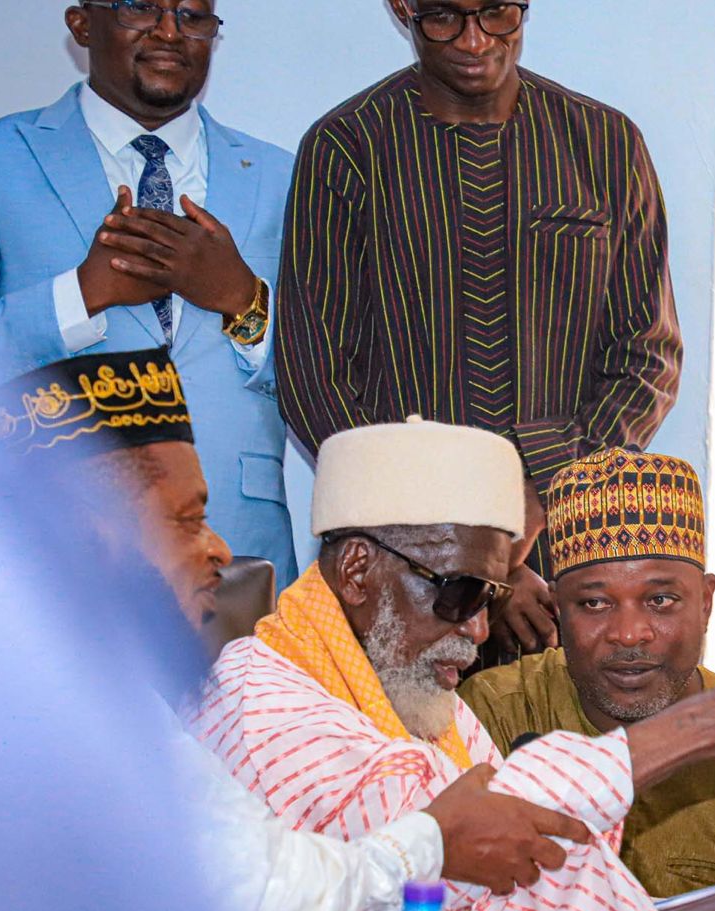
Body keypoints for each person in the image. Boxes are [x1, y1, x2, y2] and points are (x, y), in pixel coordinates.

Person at [0, 351, 597, 911]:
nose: (219, 549)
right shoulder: (238, 703)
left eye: (490, 596)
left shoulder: (126, 710)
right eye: (187, 520)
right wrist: (432, 843)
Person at [185, 417, 715, 911]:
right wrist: (710, 725)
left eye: (491, 599)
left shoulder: (417, 700)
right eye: (460, 592)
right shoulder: (257, 704)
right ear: (358, 571)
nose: (476, 630)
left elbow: (533, 854)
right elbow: (462, 835)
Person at [275, 0, 682, 659]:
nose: (474, 40)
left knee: (564, 759)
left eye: (497, 13)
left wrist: (539, 495)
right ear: (402, 7)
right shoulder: (347, 148)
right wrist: (461, 538)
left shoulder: (606, 145)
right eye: (444, 17)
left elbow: (648, 356)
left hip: (571, 566)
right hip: (401, 573)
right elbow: (313, 378)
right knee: (406, 758)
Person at [0, 0, 296, 583]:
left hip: (244, 550)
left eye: (193, 17)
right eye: (141, 8)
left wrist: (245, 302)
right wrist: (78, 297)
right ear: (81, 23)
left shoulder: (281, 175)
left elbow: (333, 375)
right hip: (50, 559)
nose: (170, 32)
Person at [462, 447, 715, 896]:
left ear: (706, 601)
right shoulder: (493, 715)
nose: (628, 634)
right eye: (594, 604)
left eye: (660, 600)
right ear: (557, 608)